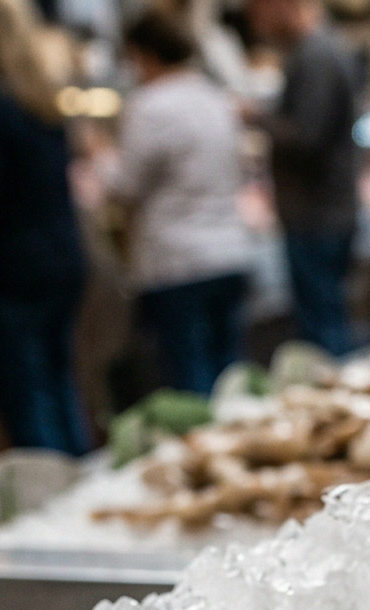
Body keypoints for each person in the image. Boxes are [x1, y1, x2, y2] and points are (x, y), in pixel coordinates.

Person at [0, 0, 90, 452]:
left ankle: (52, 510)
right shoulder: (40, 97)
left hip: (15, 268)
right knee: (59, 386)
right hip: (63, 256)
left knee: (27, 397)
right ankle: (80, 495)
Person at [95, 11, 254, 396]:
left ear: (144, 55)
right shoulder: (215, 96)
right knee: (231, 381)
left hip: (179, 261)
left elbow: (125, 185)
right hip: (230, 249)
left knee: (193, 385)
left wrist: (97, 157)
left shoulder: (151, 106)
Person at [244, 0, 363, 357]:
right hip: (322, 211)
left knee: (325, 333)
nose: (255, 18)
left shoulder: (315, 55)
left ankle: (346, 409)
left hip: (318, 213)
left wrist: (256, 117)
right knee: (327, 322)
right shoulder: (317, 51)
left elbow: (308, 137)